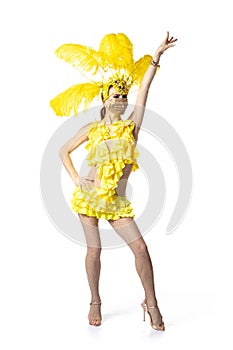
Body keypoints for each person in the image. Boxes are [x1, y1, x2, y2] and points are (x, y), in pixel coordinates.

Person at [51, 31, 177, 330]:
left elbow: (145, 88)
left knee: (141, 249)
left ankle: (151, 302)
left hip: (115, 202)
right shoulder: (91, 128)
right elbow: (63, 149)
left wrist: (155, 57)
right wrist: (76, 179)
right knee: (94, 250)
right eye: (115, 96)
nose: (121, 99)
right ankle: (95, 301)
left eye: (124, 96)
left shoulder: (131, 127)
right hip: (89, 199)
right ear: (104, 99)